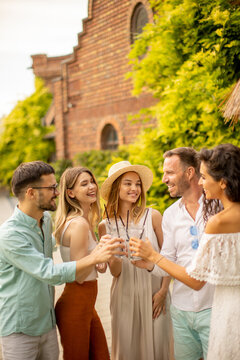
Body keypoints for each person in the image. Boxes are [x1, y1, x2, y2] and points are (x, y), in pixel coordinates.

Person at [0, 161, 123, 360]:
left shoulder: (46, 221)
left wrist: (95, 258)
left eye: (56, 187)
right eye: (51, 188)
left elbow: (71, 255)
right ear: (31, 193)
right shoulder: (10, 235)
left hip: (47, 322)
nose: (57, 192)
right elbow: (49, 273)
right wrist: (95, 256)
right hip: (20, 327)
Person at [130, 143, 240, 359]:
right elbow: (169, 260)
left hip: (216, 307)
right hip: (181, 310)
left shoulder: (220, 209)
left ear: (189, 172)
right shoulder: (170, 215)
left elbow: (197, 278)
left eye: (169, 172)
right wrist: (151, 264)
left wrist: (153, 255)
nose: (164, 179)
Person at [99, 161, 174, 360]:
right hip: (123, 294)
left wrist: (163, 292)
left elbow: (168, 258)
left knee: (160, 346)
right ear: (116, 187)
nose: (135, 189)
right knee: (128, 349)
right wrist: (114, 254)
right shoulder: (105, 225)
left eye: (138, 184)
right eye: (128, 183)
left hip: (155, 292)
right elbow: (114, 272)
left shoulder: (154, 216)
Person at [54, 167, 110, 360]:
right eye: (83, 184)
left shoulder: (86, 220)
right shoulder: (79, 224)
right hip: (76, 302)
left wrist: (99, 261)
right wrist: (100, 251)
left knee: (101, 355)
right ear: (70, 193)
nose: (91, 186)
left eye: (92, 181)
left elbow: (87, 263)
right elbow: (77, 274)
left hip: (87, 304)